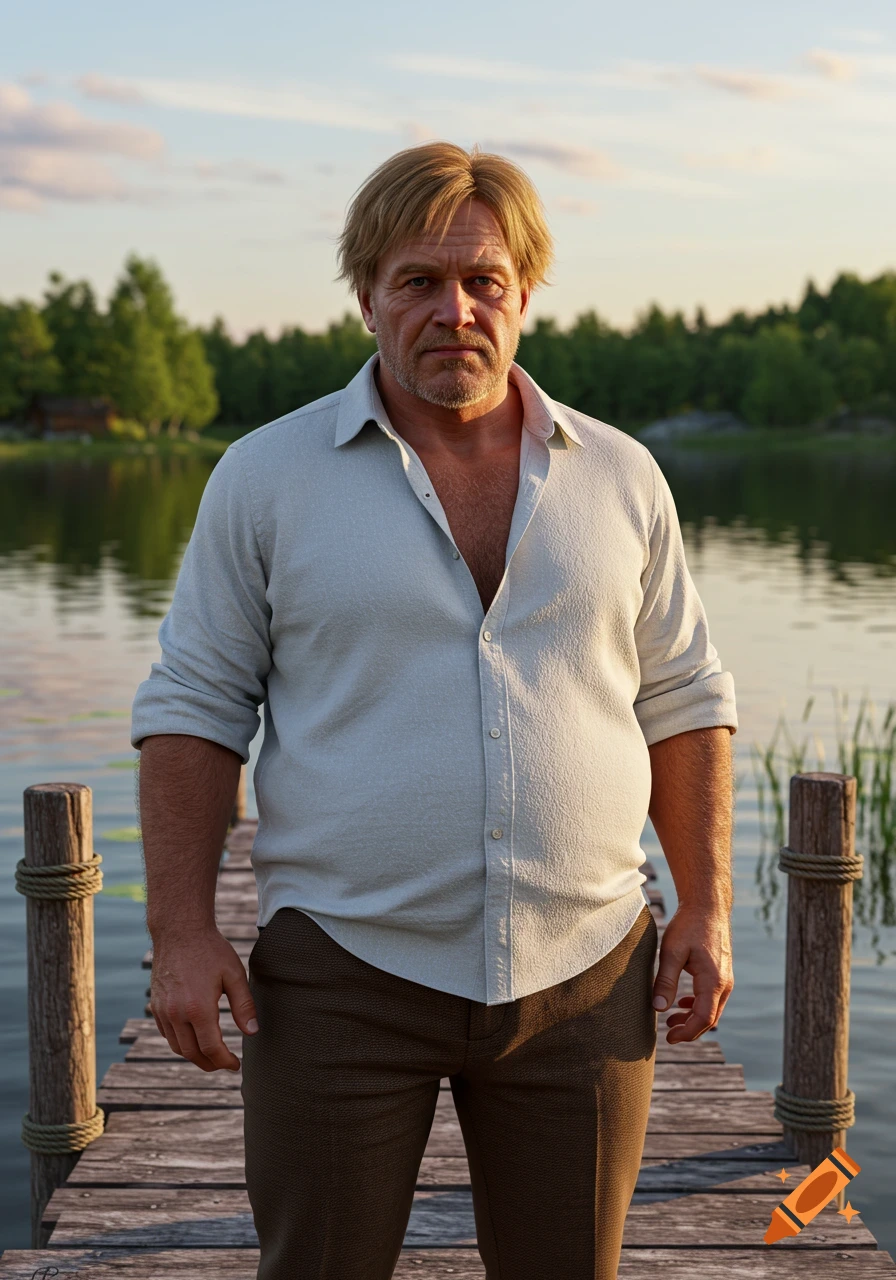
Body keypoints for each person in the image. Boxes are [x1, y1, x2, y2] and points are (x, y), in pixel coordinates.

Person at [131, 141, 738, 1280]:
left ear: (523, 296)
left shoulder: (621, 477)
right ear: (365, 294)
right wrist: (180, 930)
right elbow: (196, 703)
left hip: (586, 971)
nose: (452, 308)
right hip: (341, 974)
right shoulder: (267, 478)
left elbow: (684, 695)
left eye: (481, 281)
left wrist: (702, 903)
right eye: (417, 280)